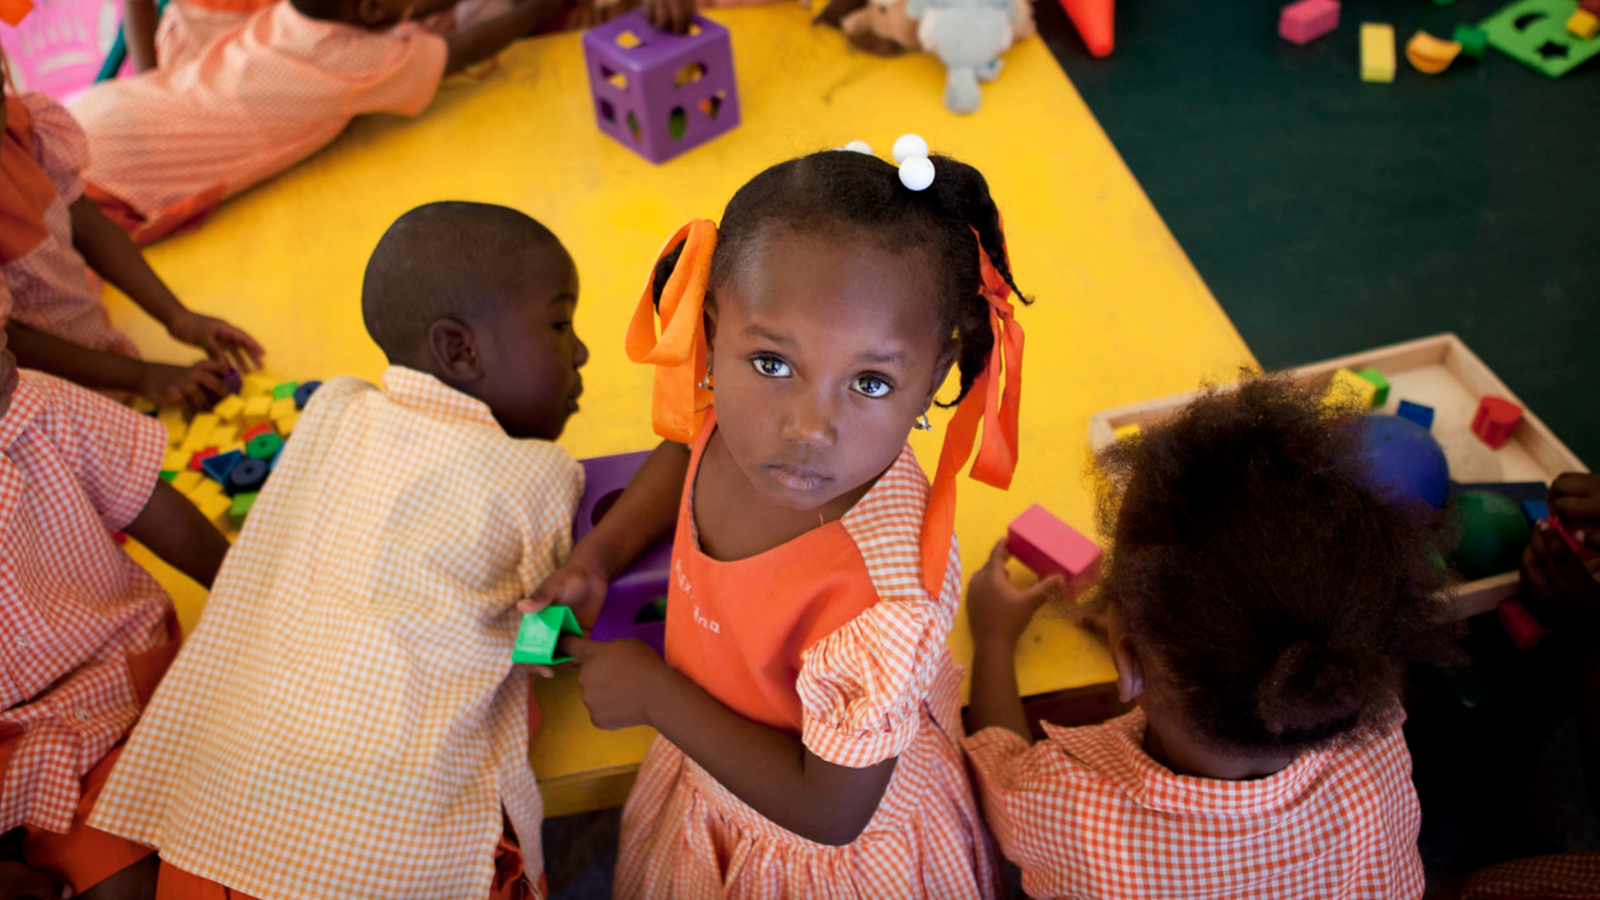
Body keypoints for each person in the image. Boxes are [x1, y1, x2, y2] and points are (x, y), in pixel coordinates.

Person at [526, 142, 1026, 898]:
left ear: (933, 378)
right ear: (713, 329)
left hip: (815, 860)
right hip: (709, 770)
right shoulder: (739, 424)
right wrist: (596, 558)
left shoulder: (887, 600)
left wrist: (657, 696)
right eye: (771, 364)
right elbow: (690, 448)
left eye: (869, 380)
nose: (807, 426)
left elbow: (831, 810)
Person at [87, 202, 589, 900]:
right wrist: (561, 634)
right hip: (380, 863)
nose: (582, 350)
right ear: (460, 350)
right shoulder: (539, 472)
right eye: (562, 324)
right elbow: (546, 640)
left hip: (212, 833)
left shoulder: (336, 411)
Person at [962, 375, 1456, 900]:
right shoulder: (1379, 740)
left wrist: (993, 640)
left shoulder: (1073, 811)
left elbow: (1001, 781)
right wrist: (1151, 626)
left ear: (1126, 661)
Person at [78, 0, 697, 246]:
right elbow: (472, 46)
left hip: (113, 111)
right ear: (375, 11)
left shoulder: (293, 21)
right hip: (116, 164)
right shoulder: (356, 58)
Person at [0, 322, 232, 900]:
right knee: (123, 889)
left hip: (137, 674)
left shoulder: (40, 404)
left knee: (251, 818)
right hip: (19, 754)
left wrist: (252, 604)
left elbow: (160, 510)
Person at [0, 55, 261, 406]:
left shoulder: (25, 129)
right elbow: (13, 342)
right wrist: (142, 376)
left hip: (90, 344)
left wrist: (178, 317)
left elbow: (86, 222)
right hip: (31, 391)